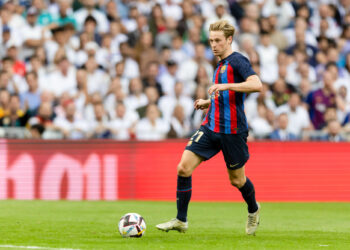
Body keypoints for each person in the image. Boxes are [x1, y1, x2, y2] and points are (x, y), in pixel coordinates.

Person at [156, 20, 262, 235]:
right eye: (211, 40)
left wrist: (225, 85)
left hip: (233, 131)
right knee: (183, 168)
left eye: (218, 41)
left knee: (237, 180)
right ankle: (181, 219)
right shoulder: (220, 64)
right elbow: (227, 97)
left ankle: (253, 209)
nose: (213, 45)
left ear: (229, 40)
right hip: (211, 127)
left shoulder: (238, 61)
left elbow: (256, 84)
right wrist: (209, 102)